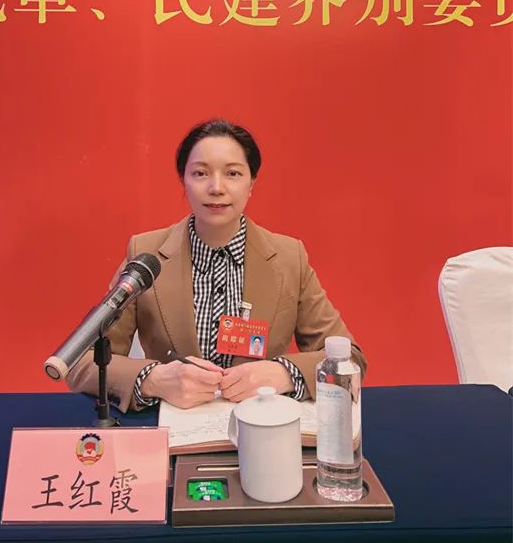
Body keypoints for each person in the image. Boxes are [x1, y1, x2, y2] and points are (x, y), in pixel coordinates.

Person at [67, 119, 366, 412]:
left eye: (233, 173)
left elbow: (350, 359)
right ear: (184, 181)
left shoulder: (289, 258)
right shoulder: (146, 254)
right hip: (174, 429)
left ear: (251, 184)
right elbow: (80, 362)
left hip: (262, 427)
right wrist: (154, 380)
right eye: (200, 173)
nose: (216, 187)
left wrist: (284, 373)